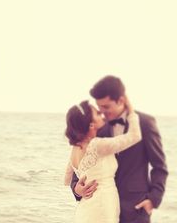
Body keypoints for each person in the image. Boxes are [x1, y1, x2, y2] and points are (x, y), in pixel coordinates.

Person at [68, 76, 168, 223]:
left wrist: (153, 200)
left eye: (106, 107)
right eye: (99, 107)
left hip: (136, 208)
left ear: (121, 101)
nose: (102, 112)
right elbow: (81, 164)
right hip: (101, 209)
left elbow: (159, 166)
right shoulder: (96, 127)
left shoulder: (145, 123)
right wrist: (77, 189)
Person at [64, 95, 141, 223]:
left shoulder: (75, 148)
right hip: (103, 205)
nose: (102, 115)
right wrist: (130, 109)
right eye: (98, 114)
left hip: (87, 208)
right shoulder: (97, 145)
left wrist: (79, 188)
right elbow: (135, 135)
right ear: (91, 125)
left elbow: (66, 178)